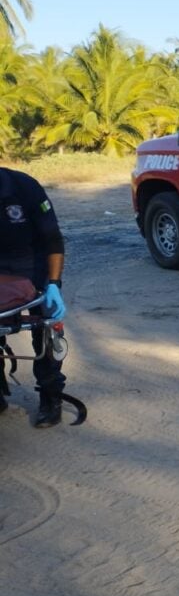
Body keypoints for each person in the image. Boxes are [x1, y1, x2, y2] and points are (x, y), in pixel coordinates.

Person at [0, 166, 68, 427]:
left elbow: (52, 239)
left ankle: (51, 396)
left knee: (46, 330)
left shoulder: (23, 187)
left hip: (31, 262)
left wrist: (53, 284)